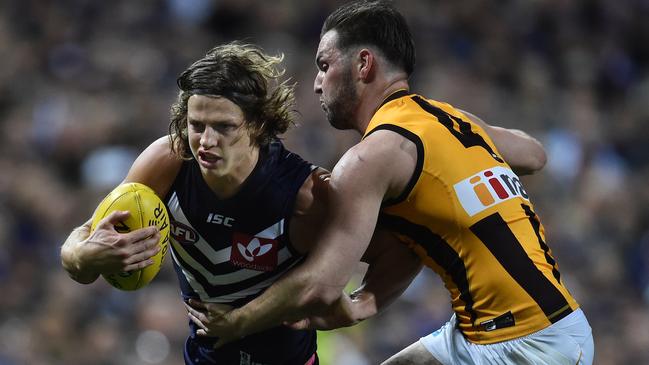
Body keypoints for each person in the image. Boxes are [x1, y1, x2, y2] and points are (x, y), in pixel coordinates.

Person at [60, 43, 546, 364]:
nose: (205, 140)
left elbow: (400, 250)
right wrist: (87, 254)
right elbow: (78, 252)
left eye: (223, 127)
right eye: (195, 124)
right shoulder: (169, 162)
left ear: (258, 125)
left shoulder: (306, 196)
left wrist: (360, 305)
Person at [192, 2, 595, 365]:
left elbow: (321, 284)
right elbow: (535, 154)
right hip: (495, 331)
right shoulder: (449, 120)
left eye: (325, 65)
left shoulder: (371, 157)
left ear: (363, 65)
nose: (317, 83)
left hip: (529, 345)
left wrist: (237, 321)